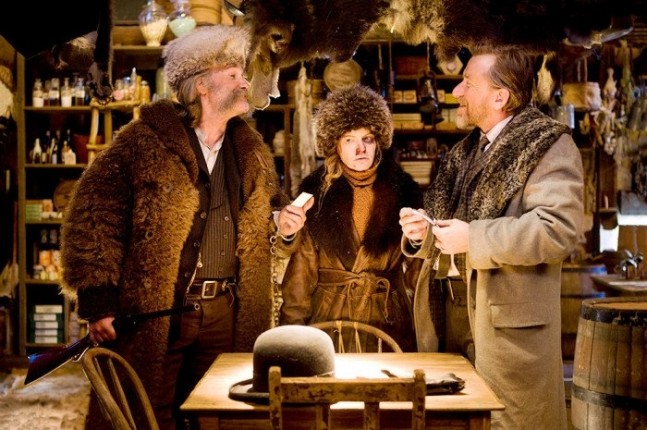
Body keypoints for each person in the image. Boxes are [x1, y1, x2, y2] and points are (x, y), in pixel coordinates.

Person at [60, 25, 311, 430]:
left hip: (226, 310)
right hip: (158, 309)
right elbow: (93, 217)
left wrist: (284, 224)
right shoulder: (144, 142)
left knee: (219, 412)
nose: (245, 83)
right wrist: (98, 301)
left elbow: (270, 212)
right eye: (233, 74)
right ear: (202, 86)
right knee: (149, 412)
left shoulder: (251, 150)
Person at [400, 45, 583, 429]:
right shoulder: (464, 152)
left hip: (507, 330)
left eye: (468, 83)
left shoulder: (548, 145)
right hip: (450, 317)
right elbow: (451, 232)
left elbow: (558, 229)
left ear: (500, 97)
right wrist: (423, 233)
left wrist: (474, 238)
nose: (456, 92)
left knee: (509, 423)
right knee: (455, 422)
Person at [280, 84, 439, 353]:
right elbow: (299, 281)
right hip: (330, 324)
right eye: (349, 140)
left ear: (378, 142)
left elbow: (419, 278)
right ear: (335, 145)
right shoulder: (315, 197)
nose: (360, 149)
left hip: (388, 322)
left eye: (367, 139)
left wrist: (418, 242)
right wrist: (290, 345)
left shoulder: (404, 192)